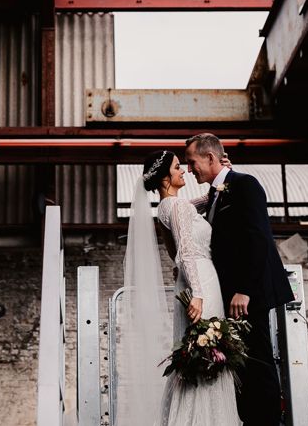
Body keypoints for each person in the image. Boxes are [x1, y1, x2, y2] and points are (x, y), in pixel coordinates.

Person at [119, 149, 240, 426]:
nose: (183, 170)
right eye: (177, 168)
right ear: (165, 179)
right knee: (208, 351)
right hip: (200, 280)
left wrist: (224, 177)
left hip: (189, 280)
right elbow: (184, 253)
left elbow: (209, 198)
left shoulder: (167, 208)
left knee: (202, 352)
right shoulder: (177, 207)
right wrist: (197, 294)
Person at [184, 133, 294, 426]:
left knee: (258, 361)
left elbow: (258, 237)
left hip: (249, 293)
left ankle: (269, 421)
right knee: (241, 362)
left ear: (210, 158)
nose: (190, 169)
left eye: (192, 162)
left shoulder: (246, 184)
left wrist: (244, 290)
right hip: (232, 293)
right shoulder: (217, 192)